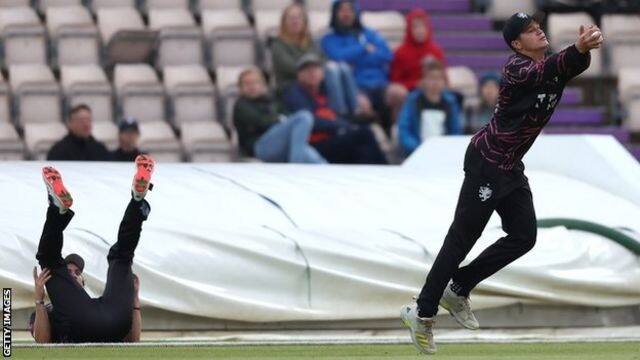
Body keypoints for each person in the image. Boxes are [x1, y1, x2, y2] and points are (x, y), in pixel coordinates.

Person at [401, 12, 602, 354]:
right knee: (462, 238)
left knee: (524, 236)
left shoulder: (553, 66)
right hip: (487, 163)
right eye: (530, 31)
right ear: (516, 44)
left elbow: (572, 65)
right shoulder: (515, 67)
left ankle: (460, 286)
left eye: (538, 27)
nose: (539, 31)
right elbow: (543, 70)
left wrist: (583, 49)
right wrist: (576, 48)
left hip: (509, 167)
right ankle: (421, 312)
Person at [31, 154, 156, 342]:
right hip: (100, 321)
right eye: (69, 270)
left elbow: (133, 342)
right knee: (121, 257)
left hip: (112, 319)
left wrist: (134, 301)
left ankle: (137, 199)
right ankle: (137, 201)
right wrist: (39, 301)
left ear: (83, 282)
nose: (72, 273)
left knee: (49, 260)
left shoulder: (91, 305)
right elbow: (41, 343)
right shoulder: (51, 307)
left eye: (76, 272)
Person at [282, 54, 387, 164]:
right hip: (313, 144)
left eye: (315, 69)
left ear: (322, 74)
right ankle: (386, 169)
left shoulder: (326, 93)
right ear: (299, 75)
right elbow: (310, 121)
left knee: (362, 148)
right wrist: (342, 125)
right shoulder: (294, 94)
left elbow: (338, 115)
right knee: (363, 135)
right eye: (307, 70)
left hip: (333, 137)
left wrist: (362, 119)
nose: (312, 73)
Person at [321, 0, 407, 134]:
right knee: (362, 107)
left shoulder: (370, 34)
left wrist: (356, 58)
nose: (346, 14)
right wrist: (364, 49)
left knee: (400, 93)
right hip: (356, 87)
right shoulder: (329, 39)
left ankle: (399, 134)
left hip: (380, 84)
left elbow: (386, 55)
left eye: (349, 10)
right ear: (335, 14)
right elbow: (338, 56)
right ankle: (378, 134)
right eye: (342, 10)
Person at [272, 3, 369, 117]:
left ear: (304, 21)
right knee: (331, 71)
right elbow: (291, 67)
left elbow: (322, 59)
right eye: (291, 18)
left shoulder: (310, 41)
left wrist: (317, 70)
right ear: (284, 22)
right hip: (291, 85)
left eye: (299, 17)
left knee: (342, 67)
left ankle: (355, 109)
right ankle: (340, 113)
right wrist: (314, 70)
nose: (295, 21)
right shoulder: (278, 44)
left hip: (315, 80)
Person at [233, 67, 326, 163]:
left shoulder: (271, 101)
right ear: (240, 88)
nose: (252, 86)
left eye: (255, 82)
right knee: (304, 117)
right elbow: (262, 122)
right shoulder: (241, 105)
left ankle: (326, 170)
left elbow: (285, 115)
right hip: (259, 147)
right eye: (247, 83)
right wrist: (280, 120)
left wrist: (280, 120)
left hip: (279, 145)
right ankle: (296, 166)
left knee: (310, 155)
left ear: (263, 85)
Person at [398, 60, 463, 156]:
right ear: (423, 81)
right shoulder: (412, 101)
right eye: (431, 78)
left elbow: (456, 130)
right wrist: (418, 149)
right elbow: (404, 130)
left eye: (438, 79)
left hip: (443, 153)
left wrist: (446, 149)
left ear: (444, 82)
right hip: (416, 152)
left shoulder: (450, 103)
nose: (435, 83)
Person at [390, 9, 446, 91]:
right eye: (415, 27)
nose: (420, 30)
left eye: (423, 26)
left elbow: (444, 78)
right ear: (409, 29)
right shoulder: (400, 53)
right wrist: (415, 84)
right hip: (411, 92)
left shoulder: (436, 51)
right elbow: (395, 83)